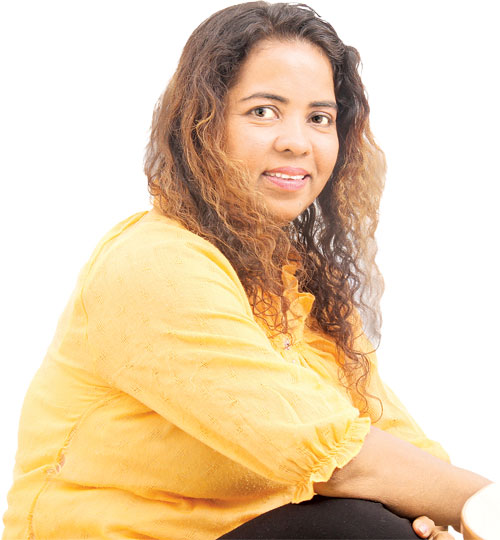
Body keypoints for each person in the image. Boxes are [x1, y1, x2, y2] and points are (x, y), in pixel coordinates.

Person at [2, 2, 492, 539]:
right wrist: (478, 505)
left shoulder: (299, 282)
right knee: (354, 527)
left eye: (319, 118)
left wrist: (434, 509)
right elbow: (339, 460)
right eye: (263, 111)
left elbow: (389, 433)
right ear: (201, 126)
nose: (296, 141)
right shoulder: (154, 265)